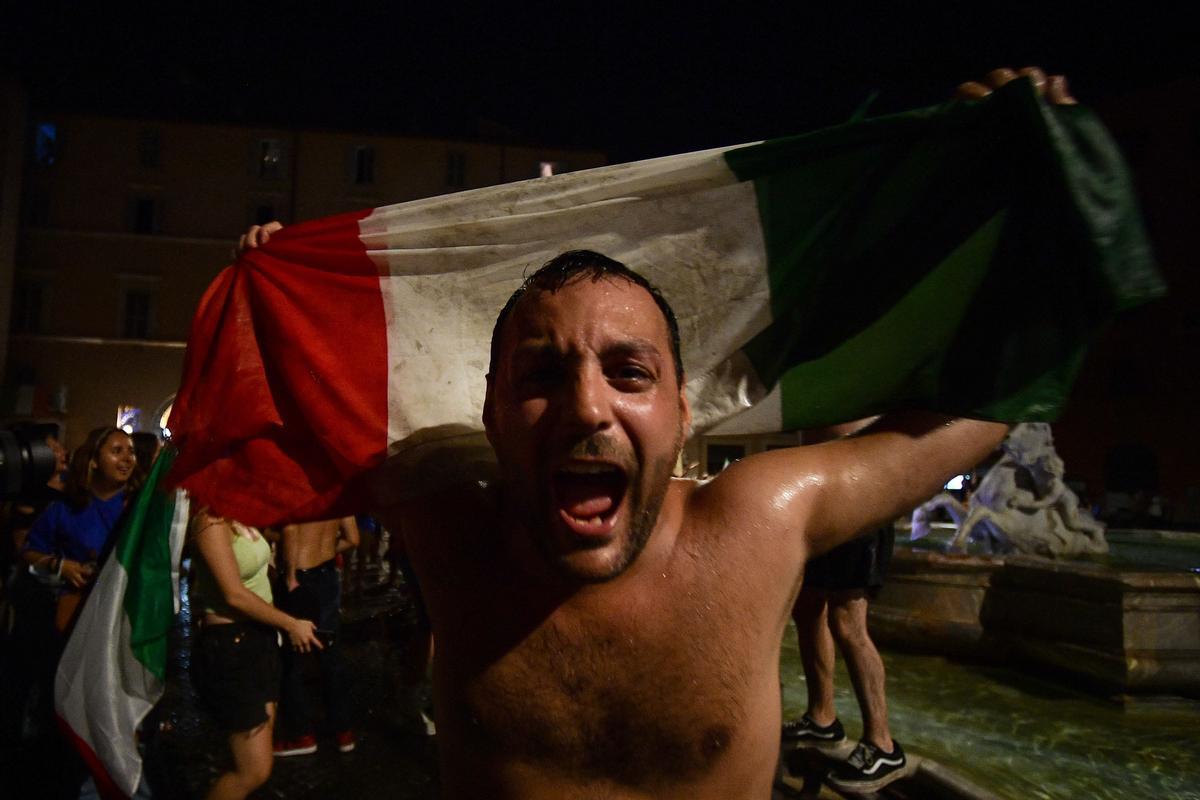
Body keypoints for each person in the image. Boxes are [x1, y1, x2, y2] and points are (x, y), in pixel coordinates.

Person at [237, 68, 1067, 799]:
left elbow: (989, 407)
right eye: (541, 376)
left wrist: (1024, 209)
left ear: (684, 411)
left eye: (629, 374)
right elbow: (298, 398)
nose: (587, 410)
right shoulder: (448, 526)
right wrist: (273, 288)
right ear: (489, 411)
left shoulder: (763, 521)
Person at [781, 424, 904, 792]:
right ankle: (822, 717)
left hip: (862, 495)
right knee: (807, 608)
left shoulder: (868, 371)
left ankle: (883, 743)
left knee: (847, 622)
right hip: (826, 496)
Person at [189, 509, 323, 800]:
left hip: (258, 641)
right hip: (232, 646)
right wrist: (289, 623)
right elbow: (233, 594)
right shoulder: (209, 521)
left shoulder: (238, 516)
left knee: (248, 761)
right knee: (253, 770)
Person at [22, 425, 138, 632]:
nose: (128, 459)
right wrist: (60, 566)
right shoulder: (65, 508)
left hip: (125, 614)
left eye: (131, 451)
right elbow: (29, 552)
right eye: (116, 451)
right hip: (76, 614)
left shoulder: (138, 508)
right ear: (93, 461)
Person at [273, 516, 359, 756]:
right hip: (328, 573)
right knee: (330, 652)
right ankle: (343, 731)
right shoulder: (334, 496)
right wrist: (329, 549)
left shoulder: (299, 491)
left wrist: (289, 576)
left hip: (301, 575)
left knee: (291, 658)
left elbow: (290, 528)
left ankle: (302, 733)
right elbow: (353, 539)